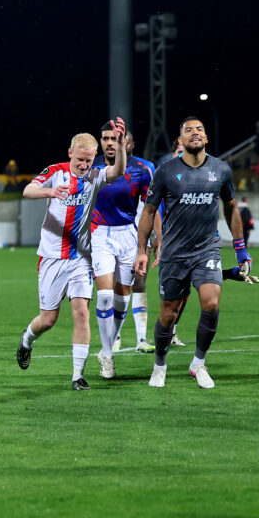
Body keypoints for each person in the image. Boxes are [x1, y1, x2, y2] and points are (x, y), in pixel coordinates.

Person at [135, 116, 249, 389]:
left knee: (211, 302)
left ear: (206, 138)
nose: (195, 133)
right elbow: (149, 211)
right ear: (181, 140)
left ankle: (198, 363)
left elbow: (231, 207)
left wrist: (241, 249)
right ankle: (159, 364)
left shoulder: (221, 170)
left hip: (207, 248)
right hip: (174, 252)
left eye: (200, 129)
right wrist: (142, 249)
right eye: (189, 130)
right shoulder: (166, 171)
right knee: (168, 313)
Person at [15, 121, 127, 391]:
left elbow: (118, 170)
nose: (83, 165)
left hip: (80, 259)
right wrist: (50, 192)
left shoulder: (95, 176)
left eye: (88, 160)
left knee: (81, 313)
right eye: (79, 160)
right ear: (70, 154)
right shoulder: (55, 172)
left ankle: (77, 375)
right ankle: (27, 340)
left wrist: (120, 145)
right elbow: (27, 190)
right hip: (52, 258)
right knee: (48, 320)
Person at [89, 123, 154, 378]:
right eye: (105, 138)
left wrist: (144, 246)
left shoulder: (142, 171)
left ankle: (110, 343)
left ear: (124, 141)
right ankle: (107, 352)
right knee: (104, 296)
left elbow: (148, 210)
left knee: (122, 297)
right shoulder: (92, 169)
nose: (109, 143)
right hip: (100, 234)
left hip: (128, 233)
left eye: (115, 138)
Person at [112, 132, 158, 354]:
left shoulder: (146, 167)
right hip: (111, 236)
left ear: (132, 143)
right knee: (116, 286)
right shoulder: (104, 168)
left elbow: (154, 205)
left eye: (126, 140)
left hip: (138, 236)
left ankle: (141, 338)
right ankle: (115, 336)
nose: (123, 143)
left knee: (139, 283)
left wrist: (157, 235)